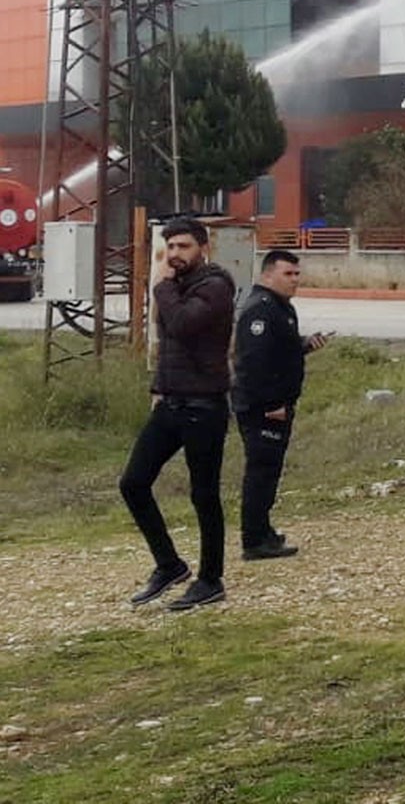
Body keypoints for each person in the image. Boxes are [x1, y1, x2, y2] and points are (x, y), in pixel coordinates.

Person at [122, 216, 237, 612]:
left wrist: (161, 287)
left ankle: (210, 579)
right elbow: (168, 343)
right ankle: (169, 565)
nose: (174, 255)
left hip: (204, 407)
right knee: (133, 483)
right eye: (170, 247)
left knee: (204, 495)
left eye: (183, 247)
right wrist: (157, 386)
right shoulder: (175, 289)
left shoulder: (216, 285)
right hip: (171, 402)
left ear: (202, 248)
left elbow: (185, 325)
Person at [231, 248, 329, 561]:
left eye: (297, 274)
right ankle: (253, 540)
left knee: (270, 471)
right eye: (288, 274)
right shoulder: (260, 309)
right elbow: (254, 363)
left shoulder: (280, 307)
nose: (295, 280)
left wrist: (304, 345)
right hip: (263, 407)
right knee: (260, 472)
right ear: (268, 274)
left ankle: (263, 530)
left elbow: (280, 351)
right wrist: (272, 403)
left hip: (277, 404)